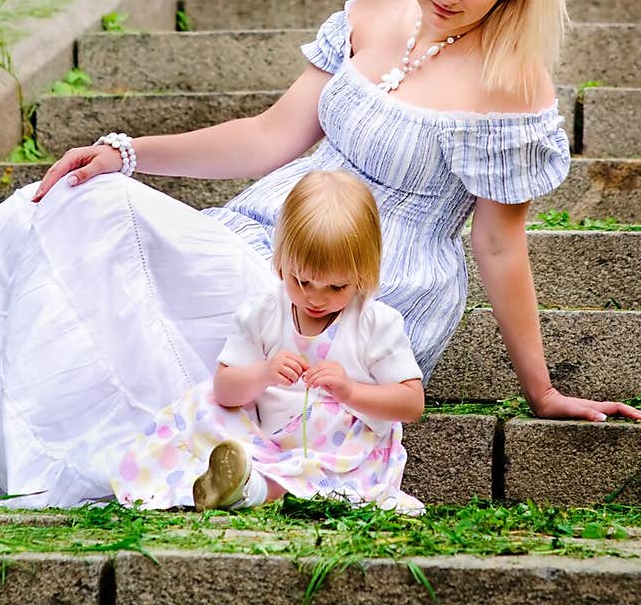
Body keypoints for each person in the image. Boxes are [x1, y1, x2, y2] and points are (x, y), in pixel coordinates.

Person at [0, 0, 641, 508]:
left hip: (365, 282)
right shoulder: (376, 7)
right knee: (77, 203)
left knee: (241, 334)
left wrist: (542, 388)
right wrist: (126, 152)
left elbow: (498, 243)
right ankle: (157, 448)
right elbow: (273, 135)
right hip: (266, 229)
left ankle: (213, 461)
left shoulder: (513, 79)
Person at [109, 169, 425, 515]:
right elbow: (226, 389)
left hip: (343, 453)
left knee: (324, 476)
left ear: (365, 274)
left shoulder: (375, 323)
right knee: (205, 401)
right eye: (301, 281)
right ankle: (230, 473)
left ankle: (253, 488)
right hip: (266, 440)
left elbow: (410, 404)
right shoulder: (263, 312)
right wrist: (263, 374)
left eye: (336, 287)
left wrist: (350, 390)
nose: (315, 299)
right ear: (281, 263)